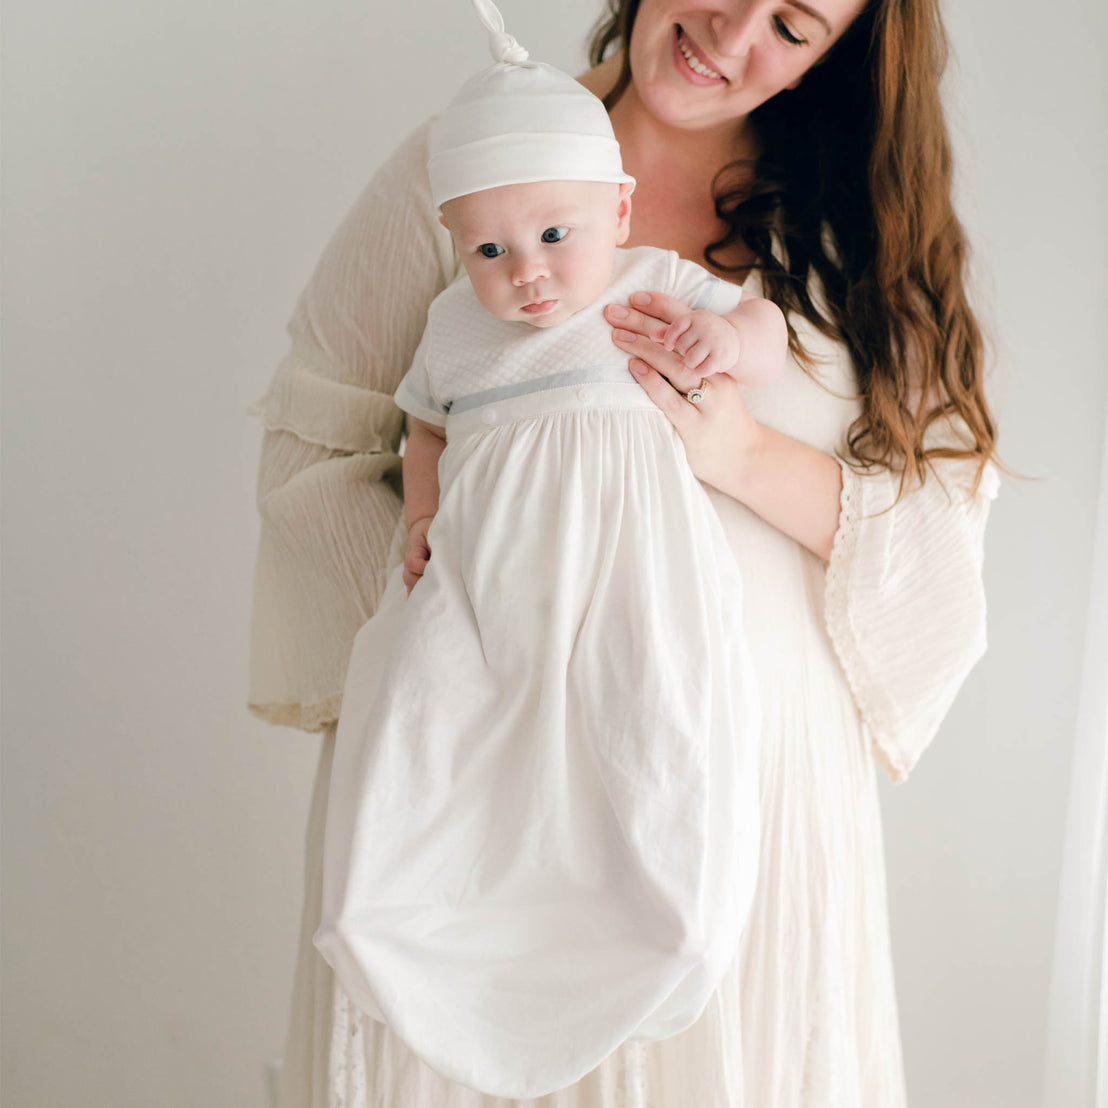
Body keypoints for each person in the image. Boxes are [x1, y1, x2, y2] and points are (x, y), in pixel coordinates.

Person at [249, 0, 1000, 1104]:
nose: (732, 35)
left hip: (746, 803)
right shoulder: (474, 159)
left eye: (792, 26)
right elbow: (313, 442)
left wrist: (735, 451)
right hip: (477, 808)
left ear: (829, 59)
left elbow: (936, 537)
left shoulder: (858, 229)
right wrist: (474, 637)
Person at [311, 11, 789, 1095]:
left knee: (647, 729)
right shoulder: (451, 329)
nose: (526, 273)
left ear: (615, 210)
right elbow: (423, 428)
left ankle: (651, 924)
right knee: (441, 726)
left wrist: (727, 341)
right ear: (455, 242)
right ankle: (419, 922)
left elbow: (758, 333)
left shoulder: (644, 283)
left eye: (555, 237)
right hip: (491, 584)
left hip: (624, 578)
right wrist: (420, 511)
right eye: (490, 249)